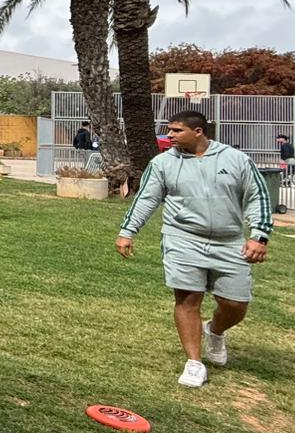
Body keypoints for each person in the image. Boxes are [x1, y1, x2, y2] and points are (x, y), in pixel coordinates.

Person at [116, 110, 272, 388]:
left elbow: (257, 196)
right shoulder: (163, 163)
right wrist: (127, 232)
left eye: (177, 130)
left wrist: (259, 236)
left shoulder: (235, 159)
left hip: (229, 241)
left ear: (198, 132)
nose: (170, 135)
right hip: (182, 239)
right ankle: (194, 363)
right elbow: (146, 199)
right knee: (187, 299)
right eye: (169, 130)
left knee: (235, 304)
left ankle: (215, 330)